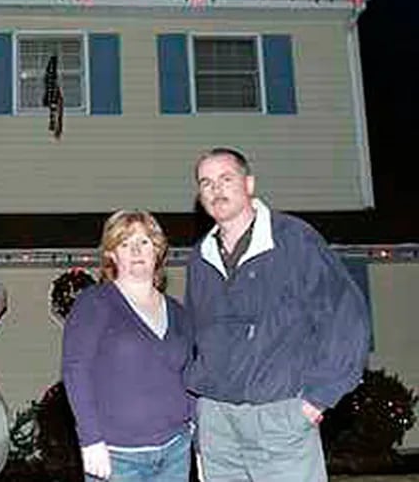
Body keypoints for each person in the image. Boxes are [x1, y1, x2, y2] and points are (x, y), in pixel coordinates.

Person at [184, 147, 371, 481]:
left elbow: (346, 317)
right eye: (206, 183)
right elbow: (198, 337)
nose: (216, 189)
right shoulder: (201, 257)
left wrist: (318, 398)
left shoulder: (293, 240)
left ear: (249, 184)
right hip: (217, 423)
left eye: (226, 179)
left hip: (279, 417)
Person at [62, 210, 194, 481]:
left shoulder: (178, 312)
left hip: (175, 450)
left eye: (144, 242)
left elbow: (191, 374)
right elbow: (76, 370)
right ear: (112, 254)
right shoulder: (95, 303)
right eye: (125, 244)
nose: (136, 251)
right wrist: (90, 440)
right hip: (117, 457)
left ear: (157, 250)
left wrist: (195, 428)